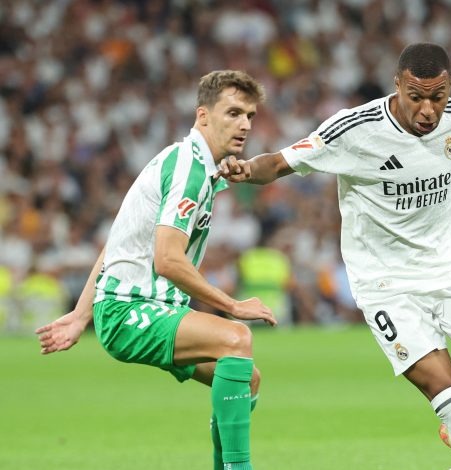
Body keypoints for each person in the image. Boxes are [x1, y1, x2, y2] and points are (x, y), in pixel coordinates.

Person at [217, 42, 451, 470]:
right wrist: (247, 169)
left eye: (438, 96)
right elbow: (281, 162)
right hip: (386, 284)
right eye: (417, 96)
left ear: (450, 87)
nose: (429, 109)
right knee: (448, 393)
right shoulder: (355, 130)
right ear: (397, 86)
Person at [35, 70, 277, 470]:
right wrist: (232, 305)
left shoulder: (191, 165)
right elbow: (167, 260)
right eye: (233, 113)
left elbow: (118, 243)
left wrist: (80, 316)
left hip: (146, 309)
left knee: (247, 379)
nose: (245, 124)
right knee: (236, 337)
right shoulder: (189, 170)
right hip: (131, 311)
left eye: (250, 115)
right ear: (203, 115)